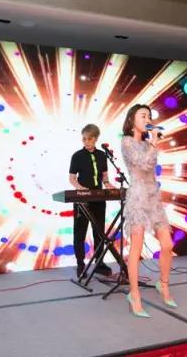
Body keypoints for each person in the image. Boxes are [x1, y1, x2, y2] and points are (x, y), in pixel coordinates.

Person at [120, 104, 176, 318]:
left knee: (167, 245)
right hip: (137, 197)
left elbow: (151, 168)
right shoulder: (126, 142)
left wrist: (152, 144)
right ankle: (134, 294)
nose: (147, 119)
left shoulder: (148, 143)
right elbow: (141, 164)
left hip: (153, 197)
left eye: (149, 116)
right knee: (136, 248)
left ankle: (163, 284)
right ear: (132, 119)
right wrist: (153, 144)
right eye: (143, 115)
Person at [69, 124, 115, 278]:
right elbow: (72, 179)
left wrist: (109, 186)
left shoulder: (102, 155)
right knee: (80, 232)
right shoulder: (77, 156)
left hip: (98, 198)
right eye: (84, 139)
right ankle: (80, 264)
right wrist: (81, 188)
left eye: (89, 139)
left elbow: (105, 178)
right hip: (82, 199)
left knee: (99, 232)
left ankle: (99, 262)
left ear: (95, 139)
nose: (86, 142)